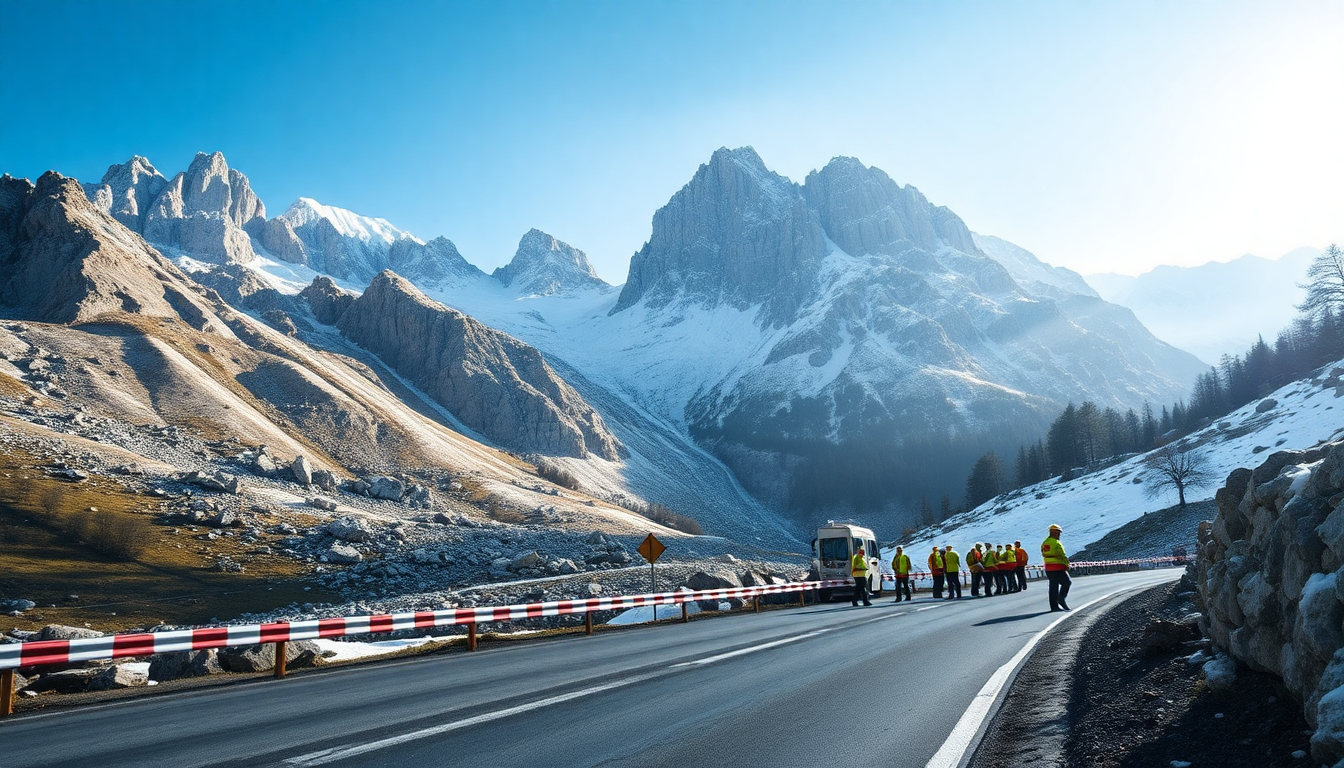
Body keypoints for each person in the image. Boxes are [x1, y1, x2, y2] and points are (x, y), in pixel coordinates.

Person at [1042, 524, 1071, 611]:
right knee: (1067, 582)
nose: (1059, 534)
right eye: (1058, 532)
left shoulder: (1045, 542)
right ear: (1053, 532)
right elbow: (1062, 555)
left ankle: (1054, 606)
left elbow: (1044, 553)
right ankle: (1061, 598)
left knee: (1053, 586)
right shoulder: (1056, 543)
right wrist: (1066, 564)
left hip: (1048, 567)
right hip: (1058, 567)